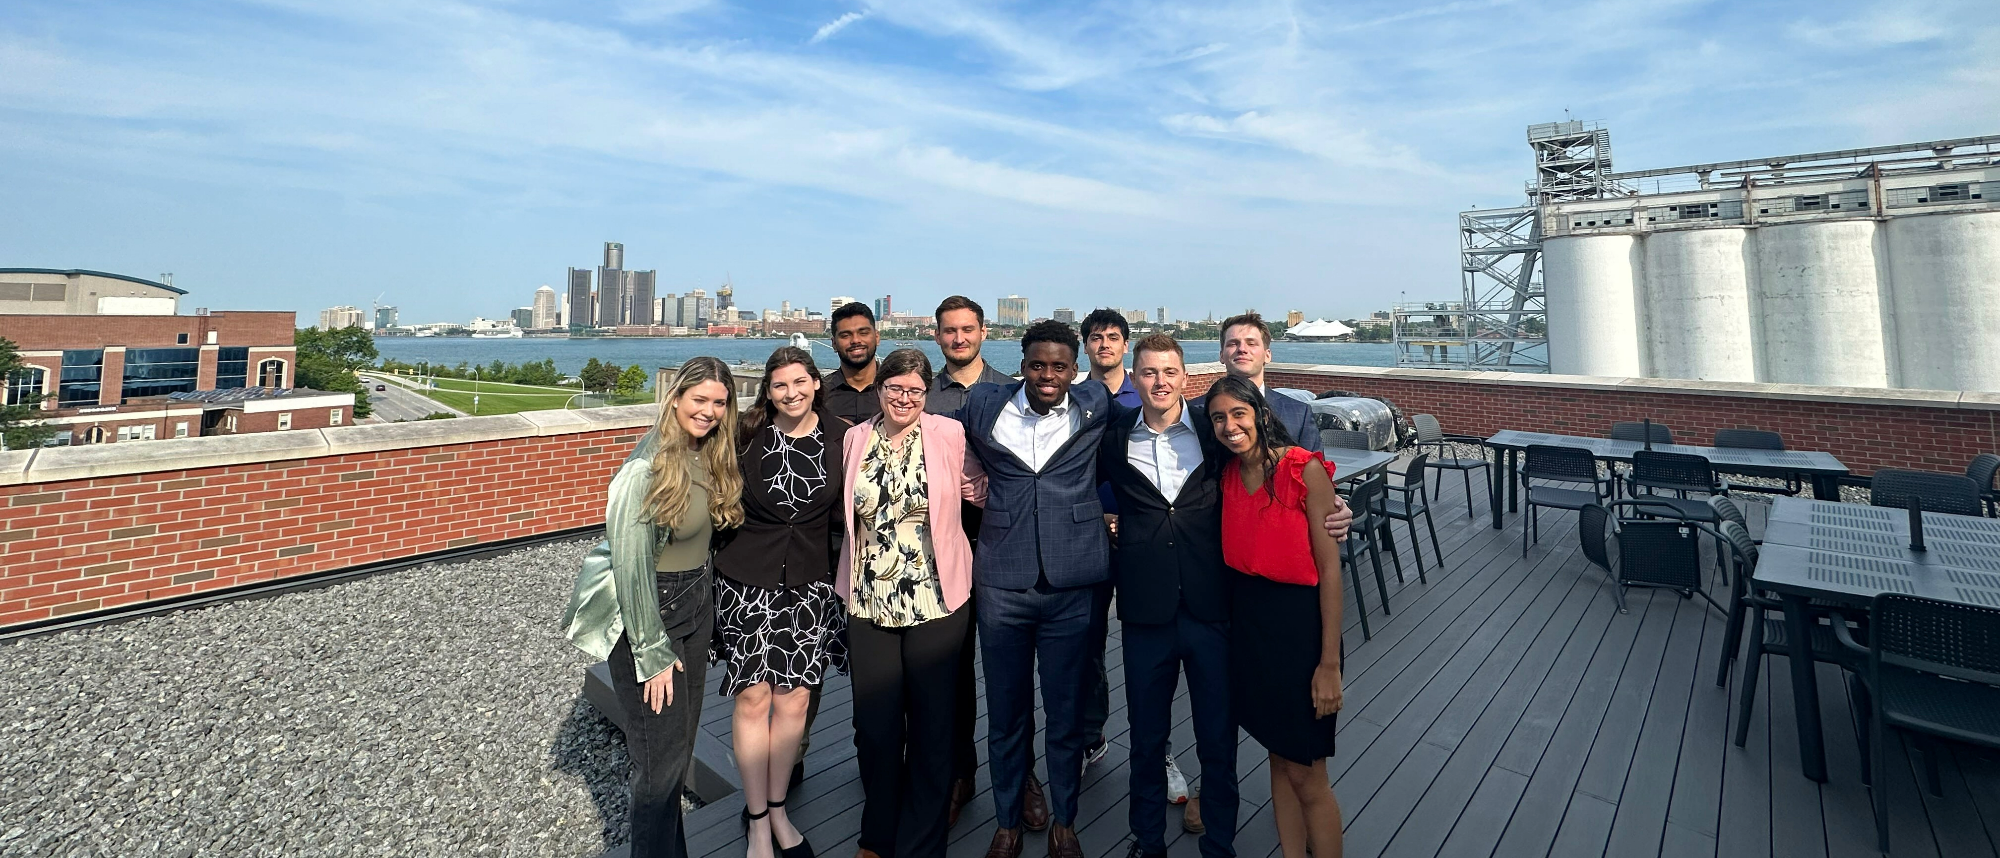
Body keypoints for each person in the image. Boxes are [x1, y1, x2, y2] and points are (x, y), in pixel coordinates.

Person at [561, 357, 745, 858]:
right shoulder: (643, 470)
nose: (708, 411)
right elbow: (630, 569)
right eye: (699, 399)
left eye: (719, 403)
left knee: (678, 750)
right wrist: (652, 652)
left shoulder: (709, 454)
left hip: (696, 607)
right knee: (658, 764)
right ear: (677, 399)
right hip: (649, 617)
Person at [954, 320, 1113, 858]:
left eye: (1059, 366)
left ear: (1075, 369)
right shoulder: (983, 406)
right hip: (1003, 580)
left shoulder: (1095, 404)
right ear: (1021, 364)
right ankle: (1007, 822)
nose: (1048, 375)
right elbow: (926, 432)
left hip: (1072, 583)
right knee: (1006, 712)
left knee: (1066, 714)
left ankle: (1065, 821)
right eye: (1037, 364)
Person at [838, 348, 988, 858]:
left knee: (932, 724)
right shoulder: (854, 438)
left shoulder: (948, 434)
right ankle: (878, 834)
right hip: (868, 598)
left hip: (937, 597)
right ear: (879, 389)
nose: (905, 398)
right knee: (875, 727)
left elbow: (978, 488)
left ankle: (924, 843)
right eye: (895, 389)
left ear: (928, 394)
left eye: (916, 391)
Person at [1097, 334, 1236, 858]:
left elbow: (1267, 464)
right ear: (1134, 379)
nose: (1160, 382)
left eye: (1169, 372)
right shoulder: (1112, 438)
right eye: (1149, 373)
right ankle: (1147, 841)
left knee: (1218, 740)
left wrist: (1324, 501)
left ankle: (1220, 845)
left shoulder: (1213, 429)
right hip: (1145, 613)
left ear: (1185, 378)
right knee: (1147, 740)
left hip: (1210, 608)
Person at [713, 347, 851, 858]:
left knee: (794, 701)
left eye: (800, 381)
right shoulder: (746, 433)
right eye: (779, 385)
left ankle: (777, 808)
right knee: (753, 699)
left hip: (812, 582)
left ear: (816, 383)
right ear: (766, 391)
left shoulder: (842, 437)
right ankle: (754, 820)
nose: (791, 393)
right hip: (746, 579)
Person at [1208, 375, 1347, 858]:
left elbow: (1330, 572)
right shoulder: (1227, 474)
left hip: (1300, 631)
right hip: (1250, 629)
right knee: (1278, 759)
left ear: (1261, 415)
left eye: (1238, 414)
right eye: (1219, 418)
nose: (1229, 426)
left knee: (1308, 774)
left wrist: (1328, 664)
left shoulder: (1301, 470)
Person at [924, 295, 1045, 830]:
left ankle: (1023, 776)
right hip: (941, 544)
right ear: (937, 336)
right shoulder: (921, 395)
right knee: (952, 668)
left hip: (1005, 542)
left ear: (984, 332)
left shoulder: (1014, 389)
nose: (958, 339)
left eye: (967, 329)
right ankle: (959, 772)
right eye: (949, 331)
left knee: (1010, 668)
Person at [1074, 309, 1136, 777]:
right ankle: (1089, 737)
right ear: (1085, 345)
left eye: (1114, 337)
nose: (1105, 345)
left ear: (1126, 345)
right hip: (1085, 538)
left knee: (1145, 643)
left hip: (1141, 540)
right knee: (1086, 642)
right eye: (1096, 338)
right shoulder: (1070, 399)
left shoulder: (1150, 394)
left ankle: (1157, 745)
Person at [1206, 313, 1320, 454]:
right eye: (1233, 343)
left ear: (1268, 355)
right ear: (1222, 355)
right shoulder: (1196, 412)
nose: (1242, 349)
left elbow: (1316, 470)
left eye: (1251, 343)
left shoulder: (1299, 413)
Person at [823, 302, 882, 424]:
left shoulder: (898, 390)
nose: (855, 340)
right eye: (845, 335)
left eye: (863, 333)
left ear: (877, 338)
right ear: (834, 343)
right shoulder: (819, 394)